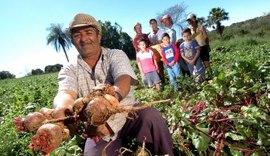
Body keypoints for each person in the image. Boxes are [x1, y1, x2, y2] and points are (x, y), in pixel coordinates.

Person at [53, 13, 174, 156]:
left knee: (151, 116)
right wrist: (63, 108)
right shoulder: (69, 69)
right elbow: (65, 93)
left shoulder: (115, 55)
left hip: (128, 115)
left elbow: (123, 79)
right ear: (72, 40)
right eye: (77, 35)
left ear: (99, 36)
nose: (84, 38)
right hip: (97, 128)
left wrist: (108, 102)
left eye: (89, 32)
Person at [148, 18, 166, 84]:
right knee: (160, 69)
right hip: (157, 54)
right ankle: (163, 83)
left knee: (168, 66)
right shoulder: (149, 36)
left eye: (154, 23)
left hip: (164, 52)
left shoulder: (162, 31)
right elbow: (151, 45)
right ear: (150, 25)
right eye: (151, 23)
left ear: (157, 23)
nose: (153, 24)